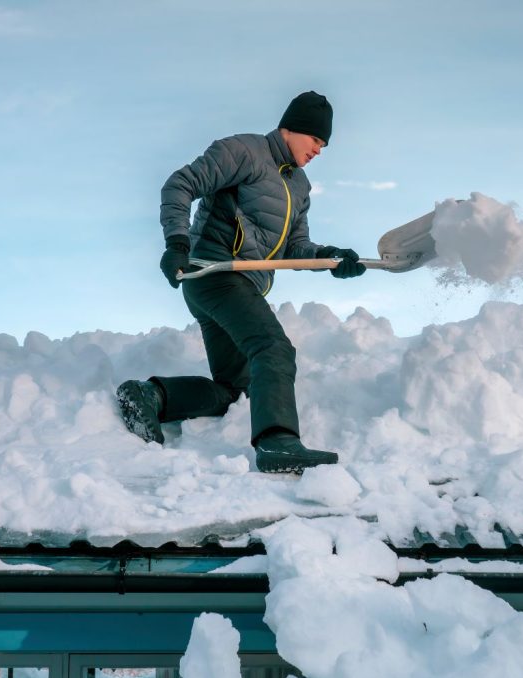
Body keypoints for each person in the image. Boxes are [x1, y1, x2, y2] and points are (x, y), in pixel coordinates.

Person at [115, 91, 365, 474]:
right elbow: (179, 184)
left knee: (236, 392)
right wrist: (177, 243)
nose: (320, 149)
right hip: (214, 272)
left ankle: (152, 396)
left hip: (238, 285)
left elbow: (293, 248)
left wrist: (331, 258)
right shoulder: (245, 151)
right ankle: (278, 442)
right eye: (316, 138)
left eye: (324, 143)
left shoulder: (300, 188)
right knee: (273, 347)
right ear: (292, 128)